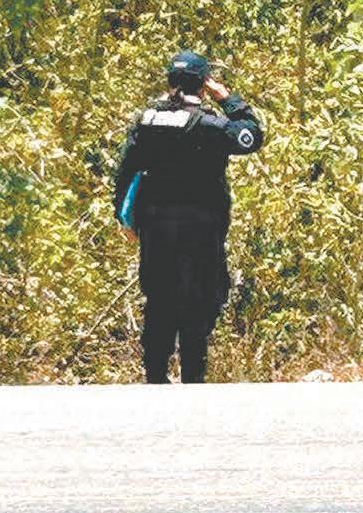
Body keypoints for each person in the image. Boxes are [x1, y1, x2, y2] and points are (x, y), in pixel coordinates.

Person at [111, 51, 266, 384]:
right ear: (203, 84)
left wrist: (123, 218)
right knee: (199, 299)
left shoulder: (146, 121)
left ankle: (155, 376)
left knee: (159, 298)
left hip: (156, 226)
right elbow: (251, 136)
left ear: (170, 82)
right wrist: (228, 100)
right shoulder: (210, 125)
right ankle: (192, 379)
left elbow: (125, 171)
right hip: (201, 228)